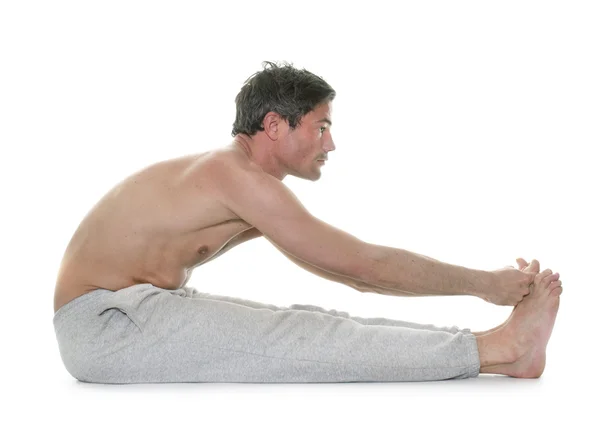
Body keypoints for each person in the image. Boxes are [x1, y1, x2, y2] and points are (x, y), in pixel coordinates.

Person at [52, 61, 562, 384]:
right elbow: (366, 265)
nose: (331, 144)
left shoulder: (236, 179)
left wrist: (481, 289)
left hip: (129, 311)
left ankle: (491, 346)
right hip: (105, 326)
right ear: (274, 125)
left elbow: (349, 273)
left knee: (314, 320)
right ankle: (500, 349)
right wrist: (483, 284)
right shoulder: (236, 177)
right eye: (321, 127)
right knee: (301, 339)